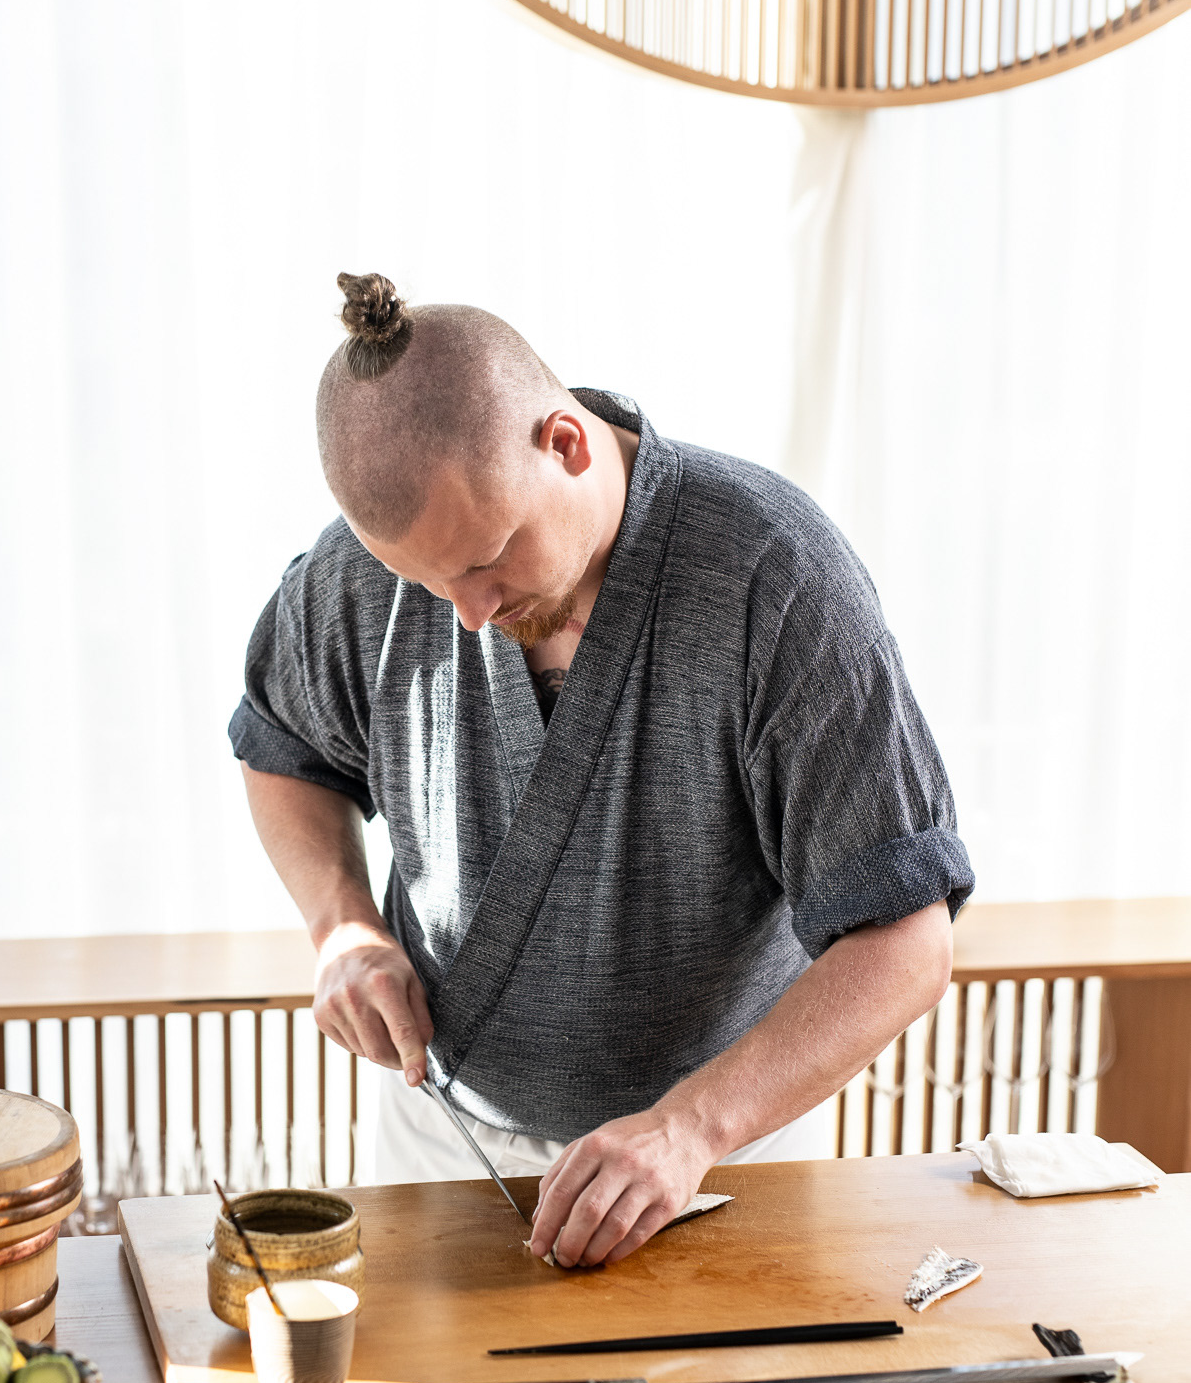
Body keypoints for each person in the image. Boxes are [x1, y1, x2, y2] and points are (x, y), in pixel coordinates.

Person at [229, 272, 973, 1268]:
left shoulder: (770, 572)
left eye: (488, 560)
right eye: (426, 581)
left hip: (722, 1152)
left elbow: (905, 941)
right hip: (442, 1136)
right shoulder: (370, 572)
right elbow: (285, 748)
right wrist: (342, 926)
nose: (468, 614)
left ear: (565, 444)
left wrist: (691, 1128)